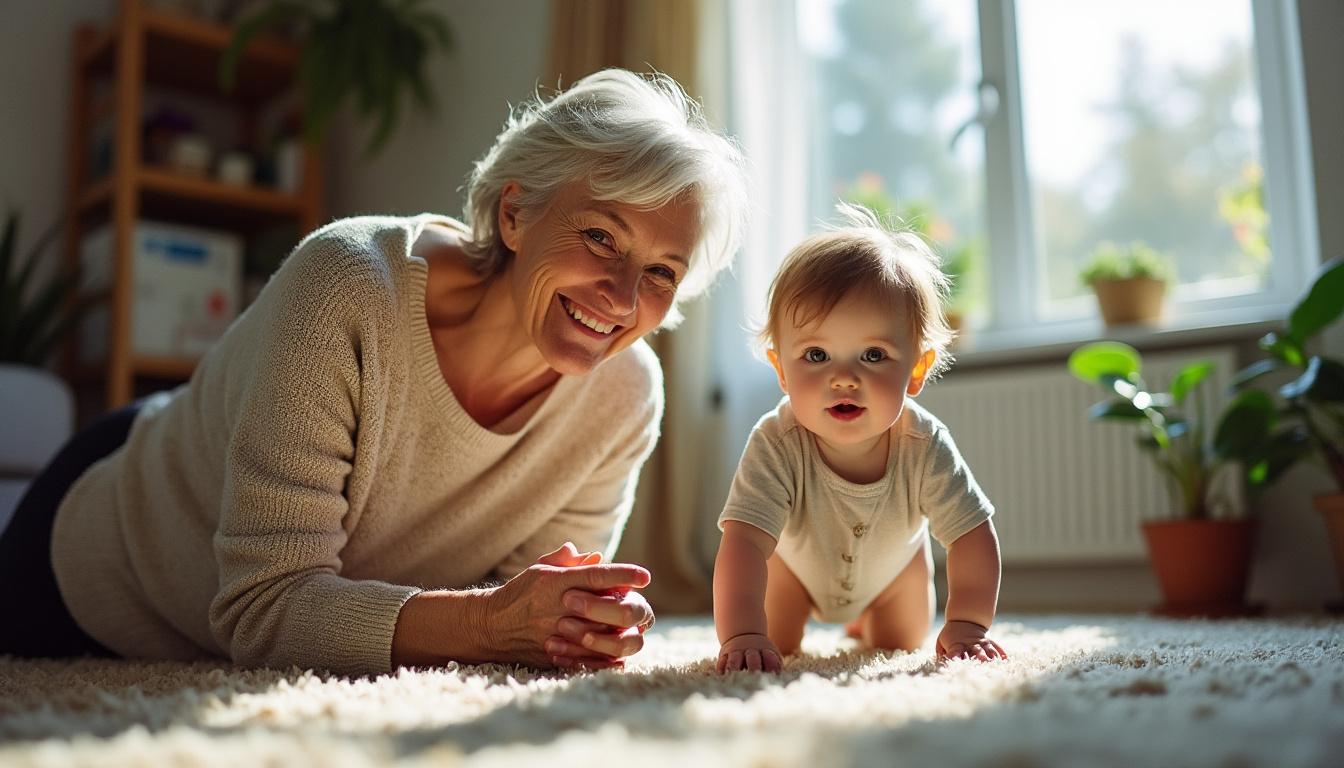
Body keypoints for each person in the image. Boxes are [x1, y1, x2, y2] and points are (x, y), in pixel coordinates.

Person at [0, 69, 748, 676]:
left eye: (660, 272)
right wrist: (493, 623)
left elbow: (527, 604)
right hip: (107, 549)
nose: (622, 299)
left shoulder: (625, 394)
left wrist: (569, 619)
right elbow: (263, 610)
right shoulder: (346, 283)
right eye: (599, 237)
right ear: (516, 214)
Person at [712, 203, 1006, 674]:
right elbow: (744, 542)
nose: (844, 377)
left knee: (898, 641)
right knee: (773, 643)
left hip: (895, 576)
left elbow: (971, 534)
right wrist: (742, 631)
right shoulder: (775, 441)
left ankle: (868, 620)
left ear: (915, 370)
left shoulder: (924, 443)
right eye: (816, 354)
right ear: (781, 370)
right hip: (792, 572)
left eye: (872, 354)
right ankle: (780, 622)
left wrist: (969, 624)